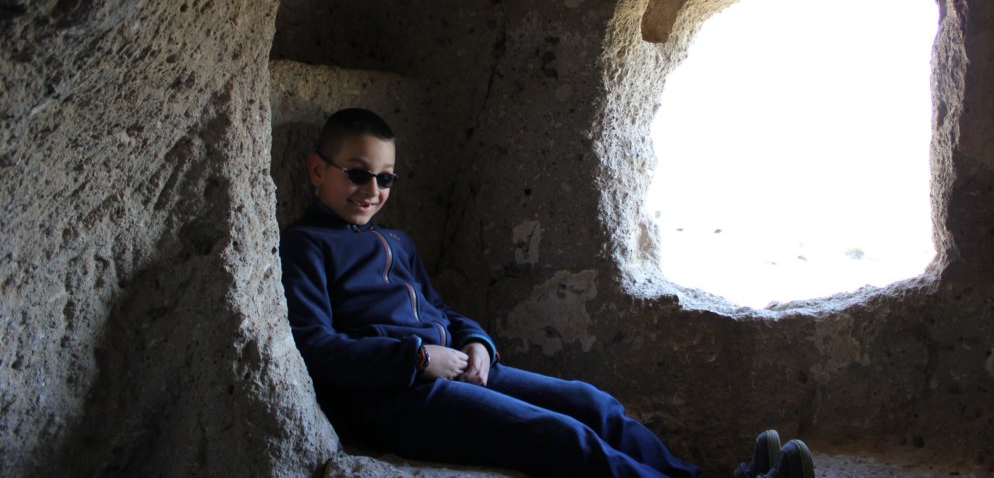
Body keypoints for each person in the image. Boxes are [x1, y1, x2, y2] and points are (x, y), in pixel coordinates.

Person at [279, 108, 814, 478]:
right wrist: (415, 359)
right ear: (317, 170)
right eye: (358, 174)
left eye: (386, 178)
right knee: (558, 435)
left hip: (455, 368)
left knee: (591, 403)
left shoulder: (397, 241)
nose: (373, 190)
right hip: (396, 396)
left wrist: (477, 343)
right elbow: (314, 345)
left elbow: (440, 310)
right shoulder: (306, 246)